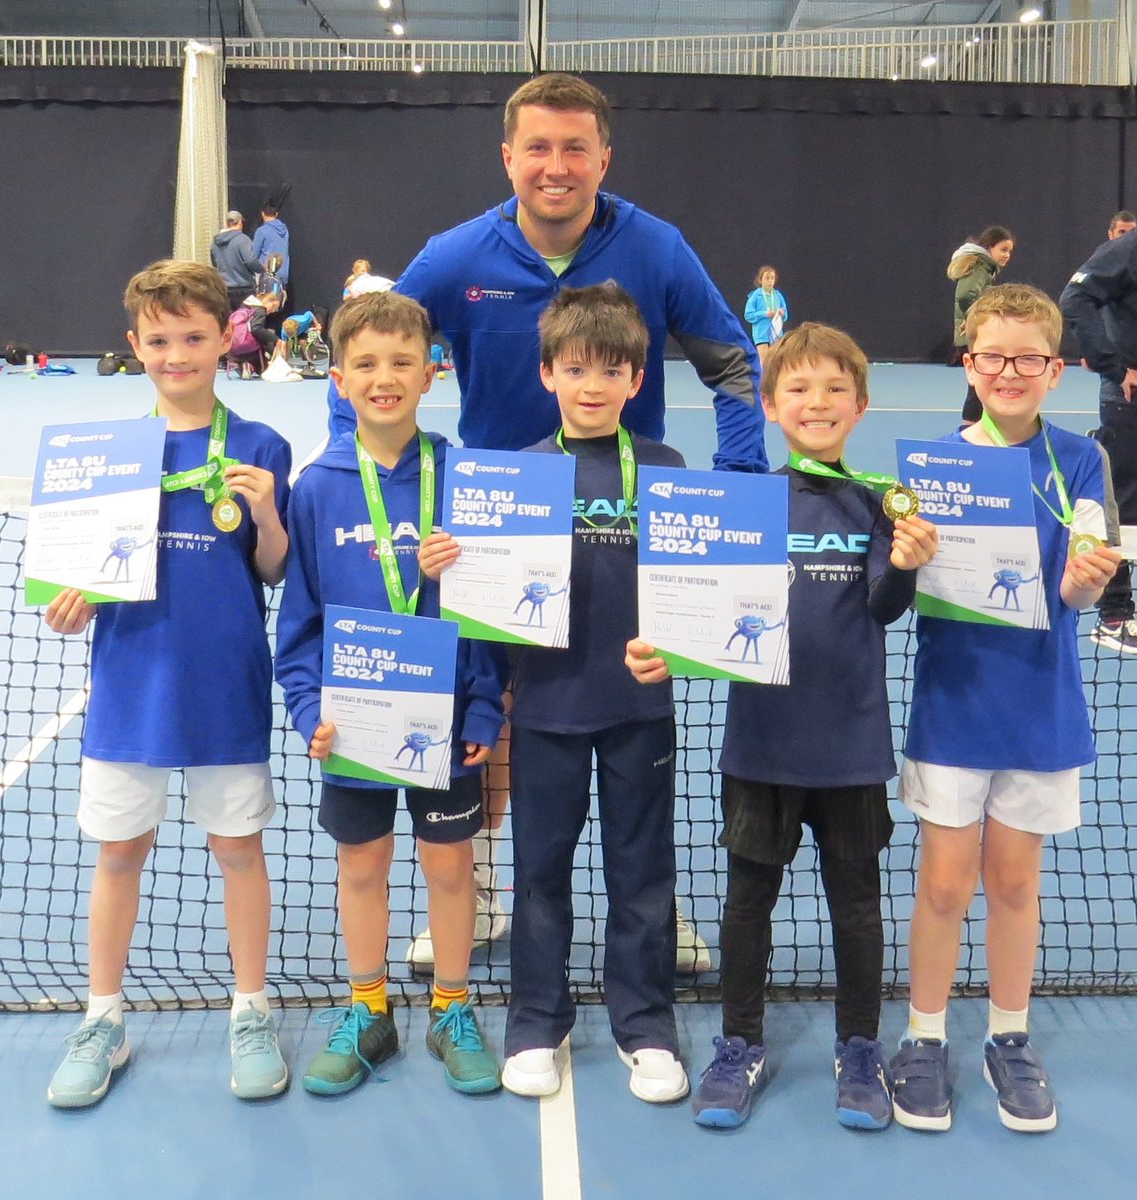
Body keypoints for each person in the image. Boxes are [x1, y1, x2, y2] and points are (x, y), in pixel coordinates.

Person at [369, 71, 768, 972]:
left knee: (637, 715)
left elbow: (732, 363)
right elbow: (371, 350)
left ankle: (653, 914)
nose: (556, 166)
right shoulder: (457, 254)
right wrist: (363, 472)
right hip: (497, 531)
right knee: (494, 713)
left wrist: (739, 481)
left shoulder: (656, 248)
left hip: (626, 524)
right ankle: (475, 891)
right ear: (508, 156)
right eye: (538, 148)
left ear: (602, 158)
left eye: (574, 147)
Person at [627, 323, 939, 1131]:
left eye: (835, 389)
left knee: (856, 906)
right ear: (770, 405)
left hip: (851, 746)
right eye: (797, 388)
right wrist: (670, 652)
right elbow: (704, 617)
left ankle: (859, 1048)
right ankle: (739, 1044)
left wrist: (902, 564)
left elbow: (880, 609)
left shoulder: (878, 503)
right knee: (745, 904)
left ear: (860, 405)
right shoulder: (749, 502)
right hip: (760, 743)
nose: (817, 402)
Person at [418, 282, 690, 1103]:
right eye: (576, 368)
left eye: (612, 370)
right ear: (548, 374)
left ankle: (644, 1025)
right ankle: (536, 1020)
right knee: (540, 872)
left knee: (642, 874)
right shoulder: (515, 478)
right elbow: (490, 616)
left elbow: (696, 597)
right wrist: (452, 571)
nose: (594, 384)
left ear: (636, 380)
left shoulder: (670, 471)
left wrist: (682, 651)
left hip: (639, 712)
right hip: (543, 713)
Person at [42, 260, 292, 1107]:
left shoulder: (262, 446)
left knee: (237, 851)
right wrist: (70, 607)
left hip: (225, 685)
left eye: (193, 337)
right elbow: (76, 588)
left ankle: (250, 1009)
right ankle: (102, 1018)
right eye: (158, 340)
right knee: (119, 853)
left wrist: (264, 513)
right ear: (133, 346)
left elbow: (272, 569)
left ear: (226, 338)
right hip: (129, 687)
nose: (176, 354)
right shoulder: (103, 458)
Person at [891, 283, 1121, 1134]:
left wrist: (1078, 585)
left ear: (1054, 370)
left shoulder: (1082, 461)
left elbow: (1085, 569)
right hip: (953, 709)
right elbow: (908, 590)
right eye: (994, 356)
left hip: (1040, 709)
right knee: (945, 885)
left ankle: (1008, 1038)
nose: (1010, 371)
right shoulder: (932, 470)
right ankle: (921, 1039)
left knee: (1015, 882)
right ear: (970, 364)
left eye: (1029, 358)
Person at [274, 291, 505, 1097]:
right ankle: (368, 1010)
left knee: (450, 870)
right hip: (354, 728)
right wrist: (310, 711)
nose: (384, 378)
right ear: (338, 380)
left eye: (402, 362)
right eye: (366, 365)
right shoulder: (315, 489)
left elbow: (493, 612)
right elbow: (298, 621)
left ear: (430, 372)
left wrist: (483, 704)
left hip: (446, 722)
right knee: (362, 868)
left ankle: (450, 1010)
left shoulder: (466, 477)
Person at [1060, 210, 1137, 653]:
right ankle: (1114, 615)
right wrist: (1112, 362)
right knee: (1122, 506)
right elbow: (1075, 299)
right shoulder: (1127, 249)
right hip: (1129, 403)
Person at [948, 225, 1014, 422]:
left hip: (976, 334)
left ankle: (978, 425)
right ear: (989, 247)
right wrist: (976, 317)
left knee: (981, 382)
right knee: (978, 384)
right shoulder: (979, 267)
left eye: (1009, 251)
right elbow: (966, 295)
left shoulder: (984, 268)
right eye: (1003, 250)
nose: (1007, 255)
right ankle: (970, 429)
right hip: (973, 335)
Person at [211, 210, 266, 311]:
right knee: (246, 320)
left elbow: (215, 263)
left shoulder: (215, 243)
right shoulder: (242, 239)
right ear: (240, 222)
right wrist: (262, 269)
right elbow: (250, 261)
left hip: (224, 289)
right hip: (244, 288)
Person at [228, 291, 283, 379]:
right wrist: (275, 339)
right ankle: (253, 366)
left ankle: (244, 365)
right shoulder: (260, 310)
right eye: (273, 307)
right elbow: (256, 329)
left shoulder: (243, 309)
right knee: (264, 364)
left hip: (232, 348)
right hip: (250, 348)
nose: (273, 311)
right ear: (266, 301)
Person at [743, 265, 789, 369]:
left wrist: (782, 313)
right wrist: (765, 314)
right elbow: (748, 315)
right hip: (761, 334)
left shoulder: (778, 295)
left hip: (776, 333)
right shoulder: (755, 296)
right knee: (764, 362)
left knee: (776, 361)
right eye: (767, 278)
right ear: (760, 280)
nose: (770, 281)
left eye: (772, 278)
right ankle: (763, 383)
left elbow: (786, 315)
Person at [252, 204, 290, 289]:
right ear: (276, 214)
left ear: (262, 214)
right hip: (283, 273)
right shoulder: (285, 230)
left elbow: (253, 255)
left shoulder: (261, 231)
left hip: (267, 275)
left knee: (267, 300)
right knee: (277, 299)